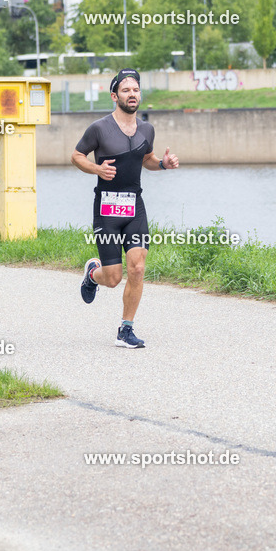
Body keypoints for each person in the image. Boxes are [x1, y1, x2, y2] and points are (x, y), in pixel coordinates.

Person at [72, 68, 179, 348]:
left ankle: (126, 329)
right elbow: (76, 155)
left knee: (138, 268)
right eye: (126, 90)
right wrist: (96, 168)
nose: (132, 94)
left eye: (136, 90)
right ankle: (93, 273)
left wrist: (162, 165)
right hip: (107, 210)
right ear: (114, 95)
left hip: (135, 207)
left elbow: (147, 158)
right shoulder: (99, 128)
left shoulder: (147, 129)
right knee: (113, 279)